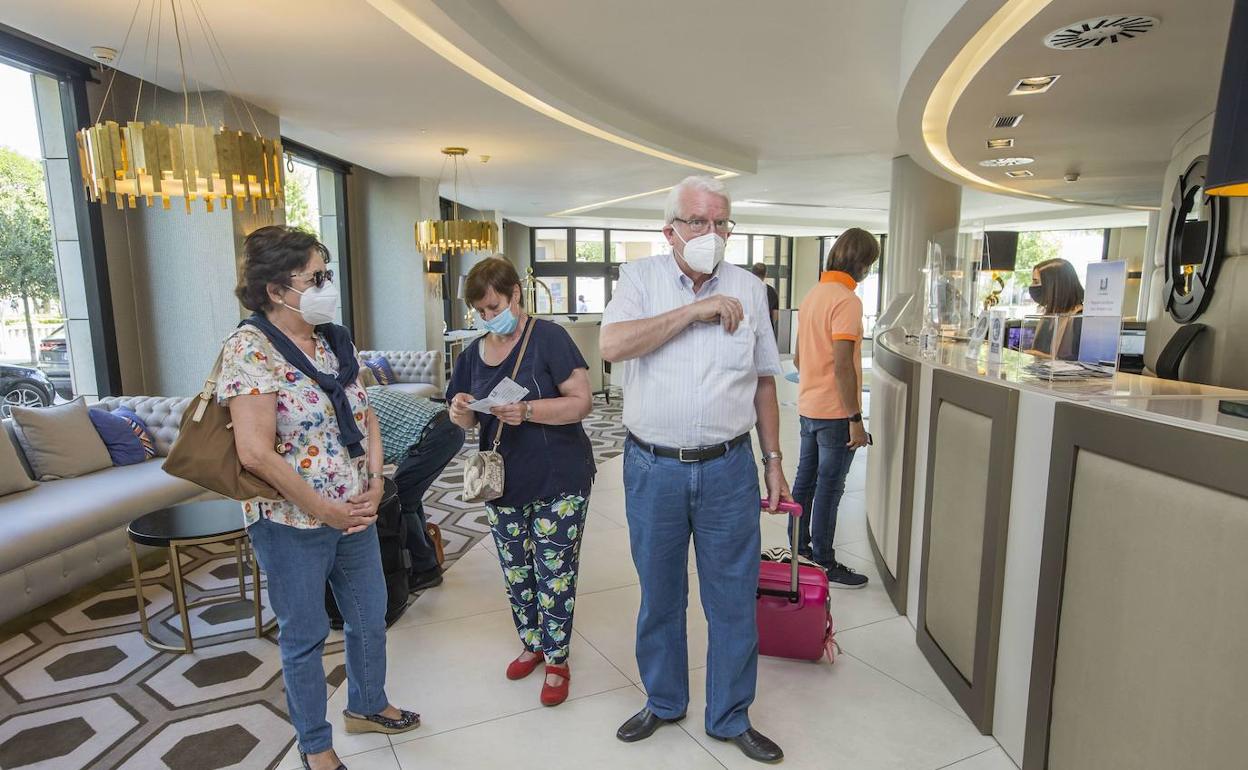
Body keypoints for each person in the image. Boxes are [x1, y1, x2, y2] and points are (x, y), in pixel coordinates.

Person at [601, 176, 790, 764]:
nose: (712, 234)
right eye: (698, 222)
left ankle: (730, 714)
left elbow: (763, 380)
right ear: (670, 230)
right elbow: (611, 345)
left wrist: (774, 461)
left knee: (733, 598)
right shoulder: (640, 279)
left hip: (729, 469)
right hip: (652, 467)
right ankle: (663, 700)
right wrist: (694, 310)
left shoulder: (751, 289)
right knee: (660, 595)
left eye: (722, 223)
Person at [222, 226, 419, 770]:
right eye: (316, 277)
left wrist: (377, 480)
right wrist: (322, 507)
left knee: (368, 615)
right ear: (276, 288)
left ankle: (368, 703)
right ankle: (315, 745)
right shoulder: (249, 348)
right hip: (291, 523)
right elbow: (255, 453)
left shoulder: (334, 340)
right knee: (305, 634)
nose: (326, 286)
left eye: (324, 274)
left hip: (356, 510)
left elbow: (365, 413)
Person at [446, 257, 596, 707]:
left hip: (559, 476)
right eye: (481, 311)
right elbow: (467, 415)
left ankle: (557, 658)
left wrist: (529, 410)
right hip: (502, 480)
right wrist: (460, 412)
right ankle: (531, 643)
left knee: (555, 572)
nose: (490, 317)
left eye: (495, 306)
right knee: (516, 571)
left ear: (516, 295)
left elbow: (582, 402)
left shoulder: (549, 338)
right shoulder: (473, 353)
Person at [790, 228, 879, 588]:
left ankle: (800, 550)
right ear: (859, 262)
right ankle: (825, 562)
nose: (868, 271)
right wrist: (855, 420)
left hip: (809, 406)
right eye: (869, 264)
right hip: (835, 413)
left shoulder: (814, 294)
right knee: (829, 487)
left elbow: (798, 357)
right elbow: (843, 365)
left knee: (805, 482)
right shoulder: (846, 300)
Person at [363, 379, 464, 591]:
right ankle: (426, 555)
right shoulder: (367, 393)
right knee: (408, 496)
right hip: (446, 426)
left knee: (399, 502)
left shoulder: (356, 410)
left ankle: (425, 569)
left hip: (434, 435)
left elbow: (366, 462)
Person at [1027, 257, 1085, 358]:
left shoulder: (1079, 319)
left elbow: (1080, 363)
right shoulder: (1048, 317)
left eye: (1036, 282)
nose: (1032, 286)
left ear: (1054, 285)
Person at [750, 262, 780, 335]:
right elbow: (775, 315)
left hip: (749, 330)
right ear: (766, 274)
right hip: (767, 331)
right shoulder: (772, 291)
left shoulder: (746, 289)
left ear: (751, 274)